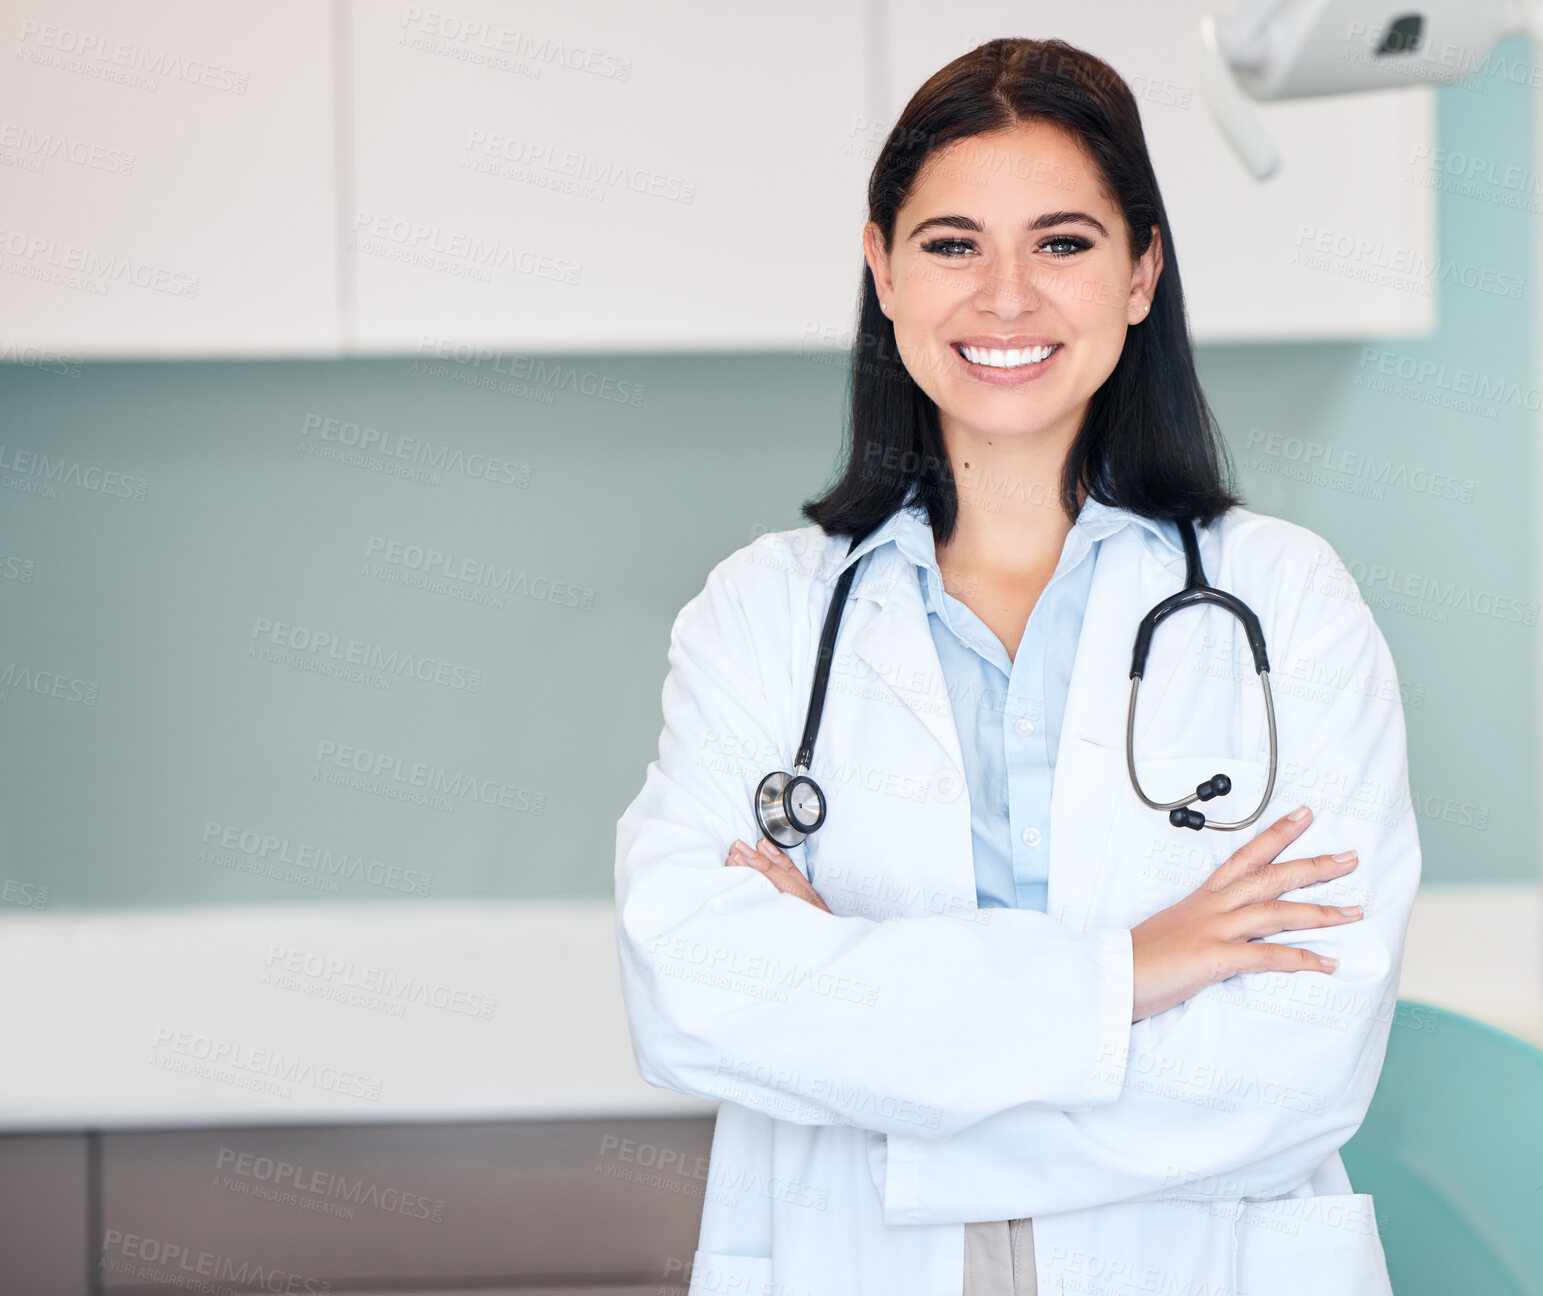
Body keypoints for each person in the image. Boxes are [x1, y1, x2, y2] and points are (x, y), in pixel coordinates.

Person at [615, 36, 1419, 1296]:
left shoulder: (1288, 605)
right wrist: (1133, 975)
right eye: (950, 244)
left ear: (1141, 271)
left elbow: (1295, 1070)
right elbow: (690, 989)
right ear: (881, 268)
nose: (1005, 298)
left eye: (1061, 243)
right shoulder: (762, 615)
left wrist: (881, 1065)